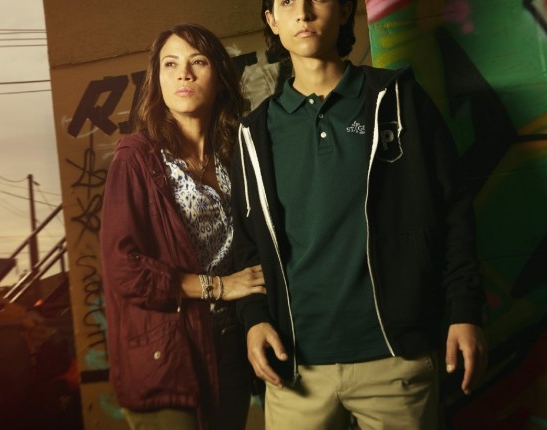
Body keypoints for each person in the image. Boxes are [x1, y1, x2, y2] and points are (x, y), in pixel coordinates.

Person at [230, 1, 488, 429]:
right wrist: (254, 320)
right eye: (287, 1)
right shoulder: (253, 133)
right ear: (272, 21)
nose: (303, 12)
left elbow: (454, 211)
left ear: (346, 10)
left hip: (395, 359)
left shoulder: (398, 100)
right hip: (295, 370)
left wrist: (464, 309)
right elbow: (248, 246)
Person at [100, 23, 266, 430]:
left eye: (198, 62)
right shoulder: (137, 158)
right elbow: (123, 268)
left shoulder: (235, 155)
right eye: (170, 65)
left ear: (219, 77)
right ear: (157, 80)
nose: (184, 75)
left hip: (228, 344)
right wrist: (219, 287)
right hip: (167, 352)